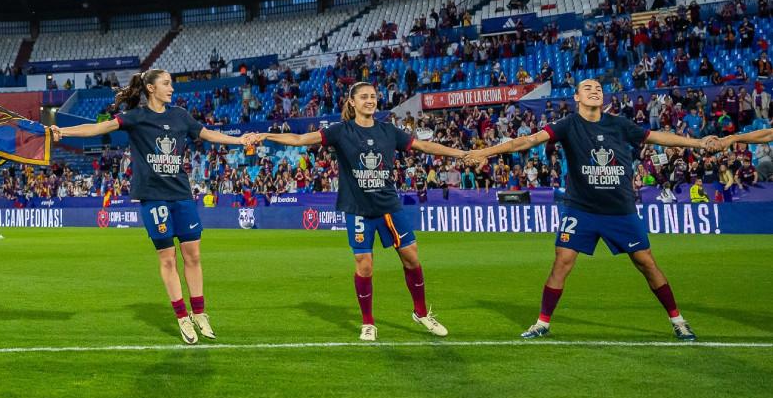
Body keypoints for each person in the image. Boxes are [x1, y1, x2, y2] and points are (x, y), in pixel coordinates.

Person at [465, 78, 722, 341]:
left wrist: (699, 143)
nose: (595, 91)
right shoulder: (567, 125)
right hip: (581, 209)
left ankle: (678, 320)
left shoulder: (619, 124)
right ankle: (542, 323)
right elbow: (527, 141)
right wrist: (487, 152)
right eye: (587, 88)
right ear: (576, 97)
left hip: (619, 209)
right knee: (561, 263)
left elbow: (656, 137)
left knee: (646, 263)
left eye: (598, 88)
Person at [248, 82, 474, 341]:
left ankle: (421, 313)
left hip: (388, 206)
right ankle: (368, 322)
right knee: (364, 266)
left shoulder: (389, 131)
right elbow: (300, 139)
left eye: (373, 96)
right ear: (352, 102)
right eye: (364, 96)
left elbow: (424, 147)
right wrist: (267, 135)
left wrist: (461, 154)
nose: (370, 100)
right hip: (357, 209)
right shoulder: (340, 131)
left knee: (411, 257)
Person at [50, 69, 247, 343]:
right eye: (166, 83)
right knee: (168, 259)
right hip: (154, 197)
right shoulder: (136, 117)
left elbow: (208, 134)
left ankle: (199, 313)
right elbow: (98, 129)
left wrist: (239, 140)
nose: (172, 89)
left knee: (193, 256)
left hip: (181, 194)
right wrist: (62, 131)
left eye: (171, 84)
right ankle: (182, 317)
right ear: (151, 88)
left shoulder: (180, 116)